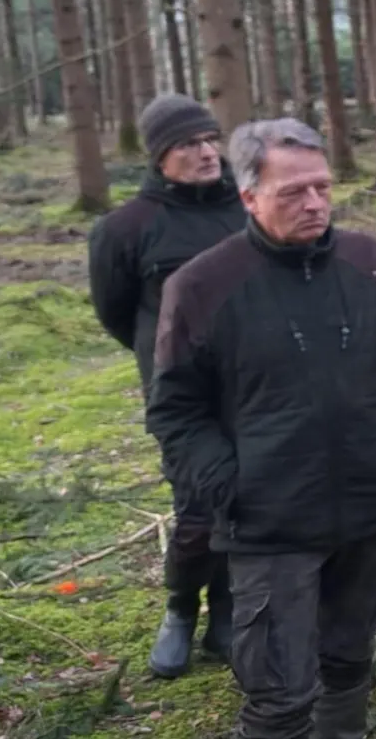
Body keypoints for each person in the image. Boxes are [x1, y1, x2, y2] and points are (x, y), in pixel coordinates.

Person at [147, 118, 376, 739]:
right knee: (278, 694)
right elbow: (175, 411)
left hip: (370, 507)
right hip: (269, 524)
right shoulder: (200, 286)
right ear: (249, 197)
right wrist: (229, 485)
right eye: (293, 192)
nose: (314, 204)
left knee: (349, 661)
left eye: (322, 188)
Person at [86, 94, 245, 678]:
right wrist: (165, 356)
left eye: (210, 139)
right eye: (188, 144)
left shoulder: (248, 208)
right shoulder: (125, 228)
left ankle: (227, 612)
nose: (206, 152)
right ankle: (180, 609)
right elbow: (117, 313)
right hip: (181, 397)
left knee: (245, 500)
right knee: (197, 510)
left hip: (254, 385)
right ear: (159, 157)